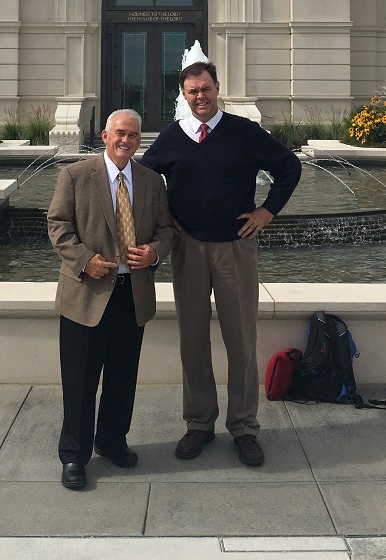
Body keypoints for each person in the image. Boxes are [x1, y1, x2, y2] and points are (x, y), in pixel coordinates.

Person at [141, 61, 301, 467]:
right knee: (192, 340)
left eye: (206, 89)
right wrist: (166, 219)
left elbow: (289, 166)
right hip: (188, 249)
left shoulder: (244, 132)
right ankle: (198, 423)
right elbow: (142, 179)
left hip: (236, 248)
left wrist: (267, 212)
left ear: (217, 89)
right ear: (184, 95)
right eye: (192, 91)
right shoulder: (172, 137)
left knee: (242, 340)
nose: (200, 96)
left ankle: (245, 427)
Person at [48, 108, 174, 490]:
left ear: (139, 140)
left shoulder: (152, 182)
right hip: (86, 294)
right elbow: (58, 225)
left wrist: (154, 252)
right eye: (120, 133)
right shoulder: (75, 175)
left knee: (122, 377)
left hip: (131, 295)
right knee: (81, 381)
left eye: (133, 135)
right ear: (105, 135)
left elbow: (168, 230)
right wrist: (86, 261)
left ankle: (112, 440)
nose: (126, 140)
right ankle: (74, 455)